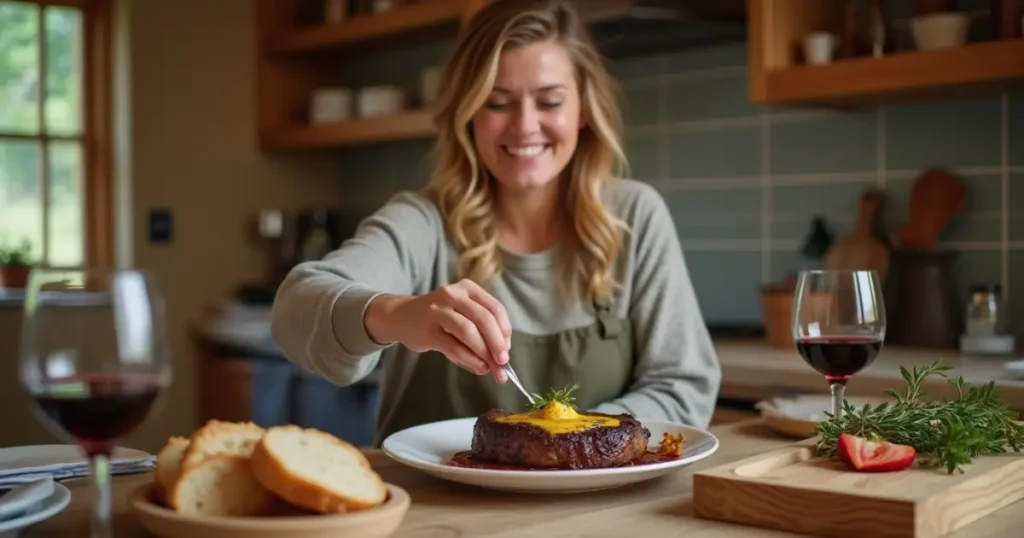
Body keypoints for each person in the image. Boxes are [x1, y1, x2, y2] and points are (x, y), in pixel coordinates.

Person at [270, 0, 722, 446]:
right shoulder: (423, 224)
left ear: (583, 109)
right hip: (434, 512)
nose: (525, 126)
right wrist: (397, 315)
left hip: (599, 510)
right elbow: (294, 310)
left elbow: (683, 385)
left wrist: (571, 440)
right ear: (468, 114)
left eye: (549, 101)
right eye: (498, 102)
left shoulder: (635, 218)